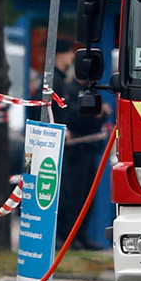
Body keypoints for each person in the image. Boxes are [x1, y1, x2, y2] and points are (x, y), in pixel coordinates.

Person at [56, 72, 111, 251]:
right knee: (72, 196)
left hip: (88, 149)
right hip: (74, 152)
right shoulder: (70, 89)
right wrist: (95, 113)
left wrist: (100, 115)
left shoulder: (88, 90)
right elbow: (73, 116)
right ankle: (68, 238)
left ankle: (82, 236)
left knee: (87, 196)